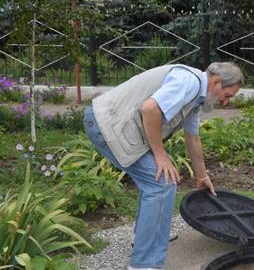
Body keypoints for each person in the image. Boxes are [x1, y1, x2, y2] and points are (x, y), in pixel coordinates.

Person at [83, 62, 243, 270]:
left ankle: (146, 237)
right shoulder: (189, 83)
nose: (227, 102)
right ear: (217, 82)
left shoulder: (196, 99)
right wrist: (160, 154)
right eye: (228, 95)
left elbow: (192, 138)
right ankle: (144, 264)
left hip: (111, 124)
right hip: (108, 125)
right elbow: (150, 109)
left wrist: (202, 176)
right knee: (161, 181)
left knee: (158, 180)